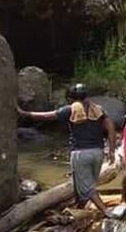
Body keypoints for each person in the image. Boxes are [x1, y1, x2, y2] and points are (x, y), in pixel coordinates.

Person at [17, 84, 117, 217]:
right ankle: (80, 206)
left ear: (70, 99)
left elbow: (46, 116)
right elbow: (111, 128)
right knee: (85, 182)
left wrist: (24, 113)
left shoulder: (70, 109)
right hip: (98, 152)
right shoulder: (98, 110)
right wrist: (111, 151)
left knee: (86, 186)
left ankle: (105, 211)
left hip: (80, 153)